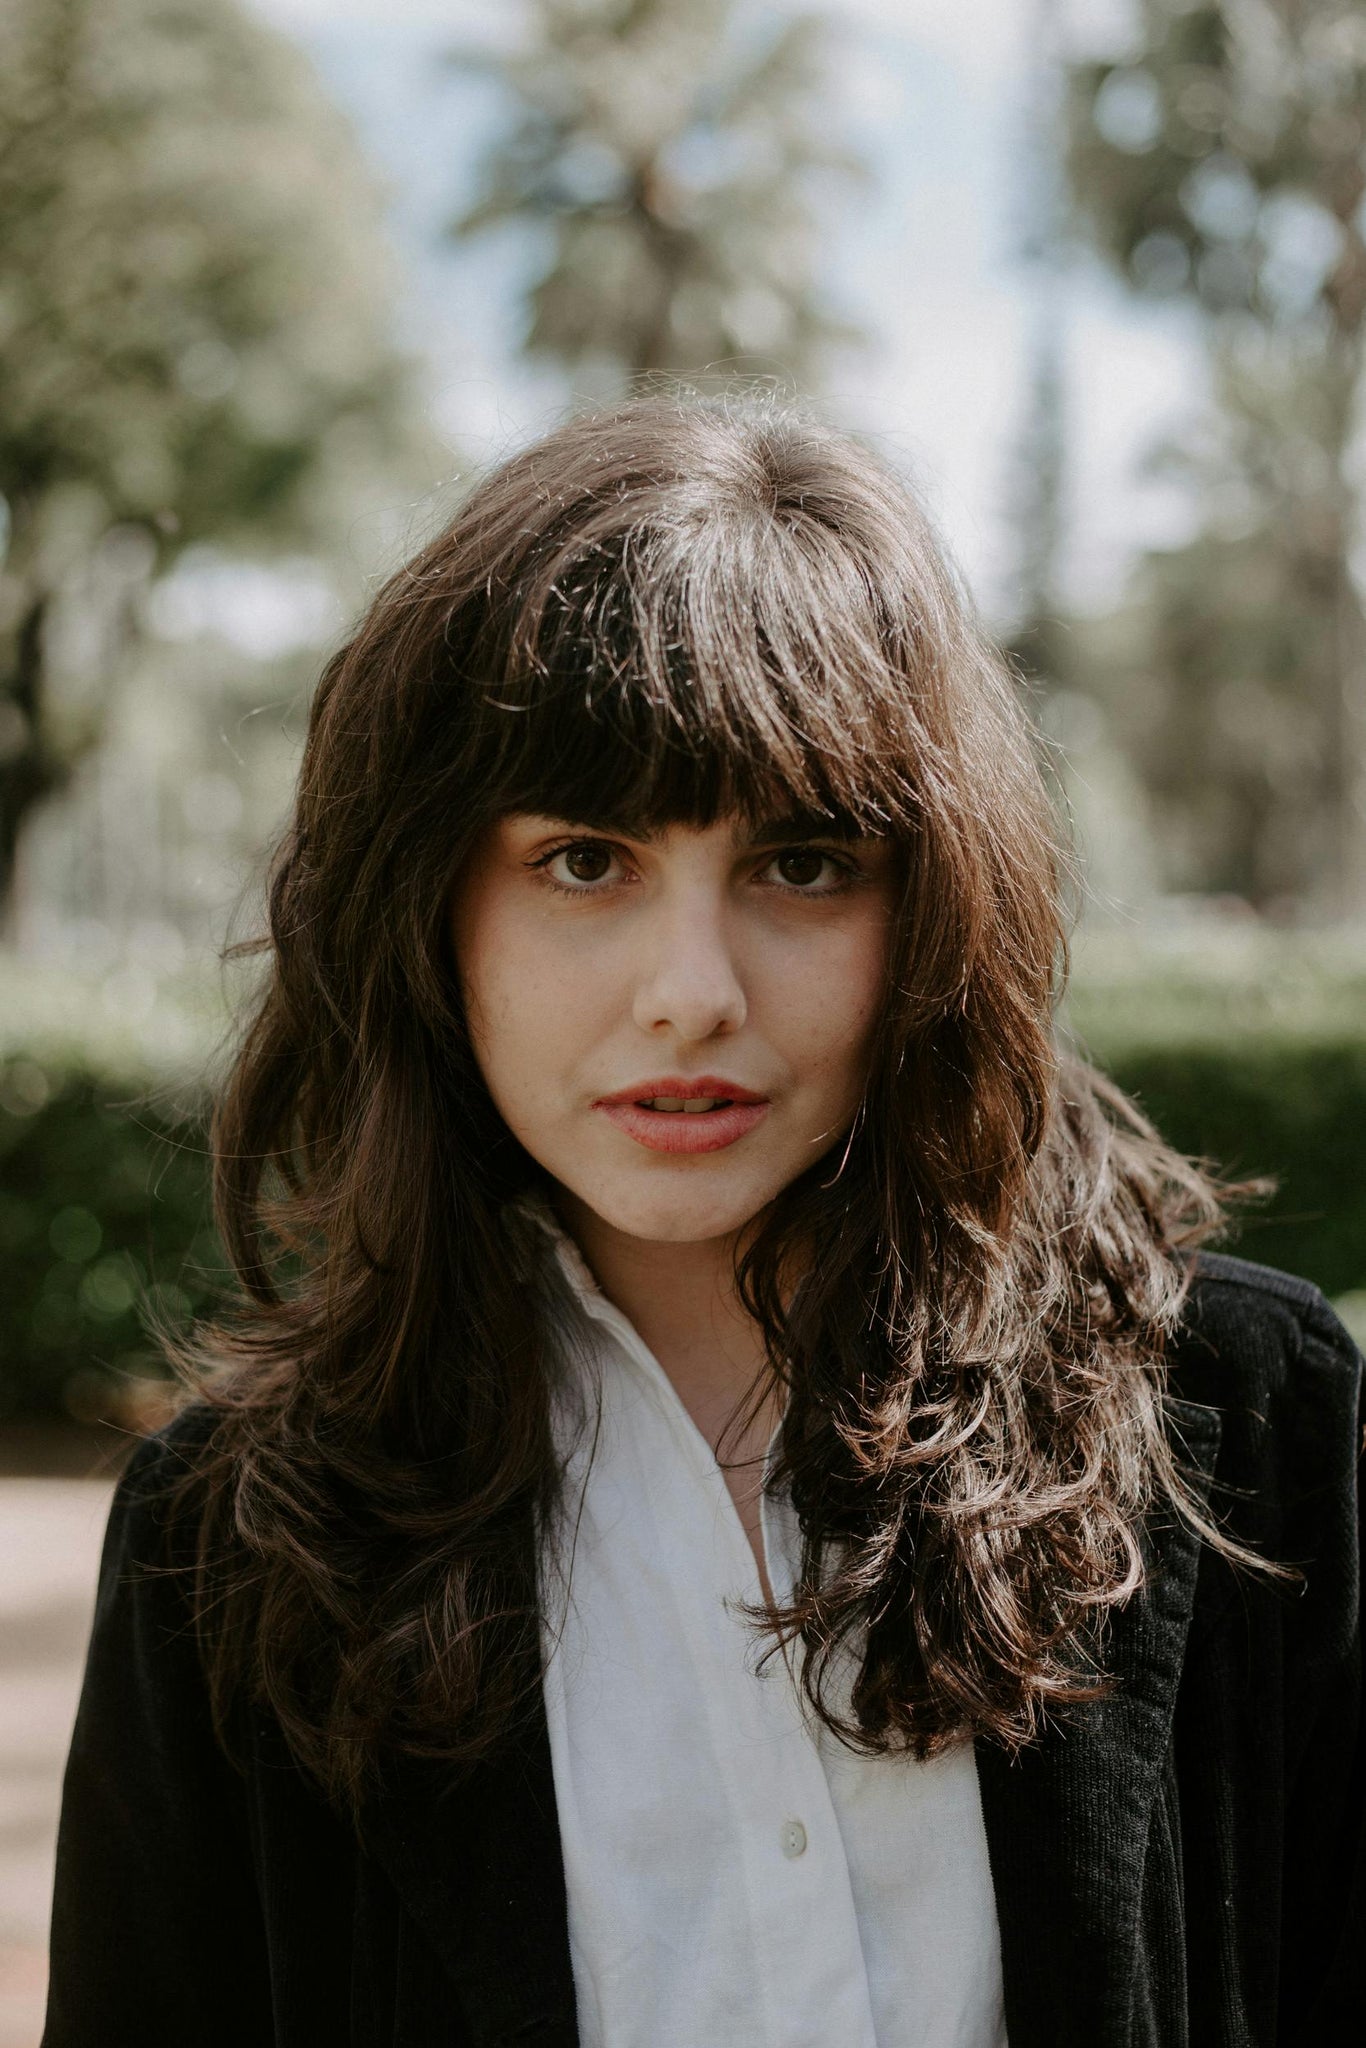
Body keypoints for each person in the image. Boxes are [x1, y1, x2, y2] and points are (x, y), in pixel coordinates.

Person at [43, 396, 1363, 2048]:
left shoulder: (1241, 1415)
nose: (693, 995)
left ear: (940, 902)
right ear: (428, 905)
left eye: (803, 864)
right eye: (585, 860)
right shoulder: (227, 1538)